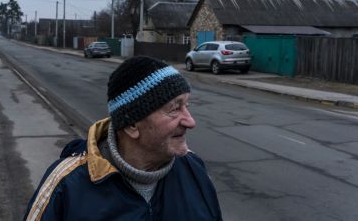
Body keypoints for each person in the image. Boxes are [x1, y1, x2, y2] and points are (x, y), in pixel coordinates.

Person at [23, 56, 223, 221]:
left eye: (187, 106)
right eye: (174, 109)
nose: (190, 121)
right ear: (131, 125)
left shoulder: (193, 168)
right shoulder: (66, 186)